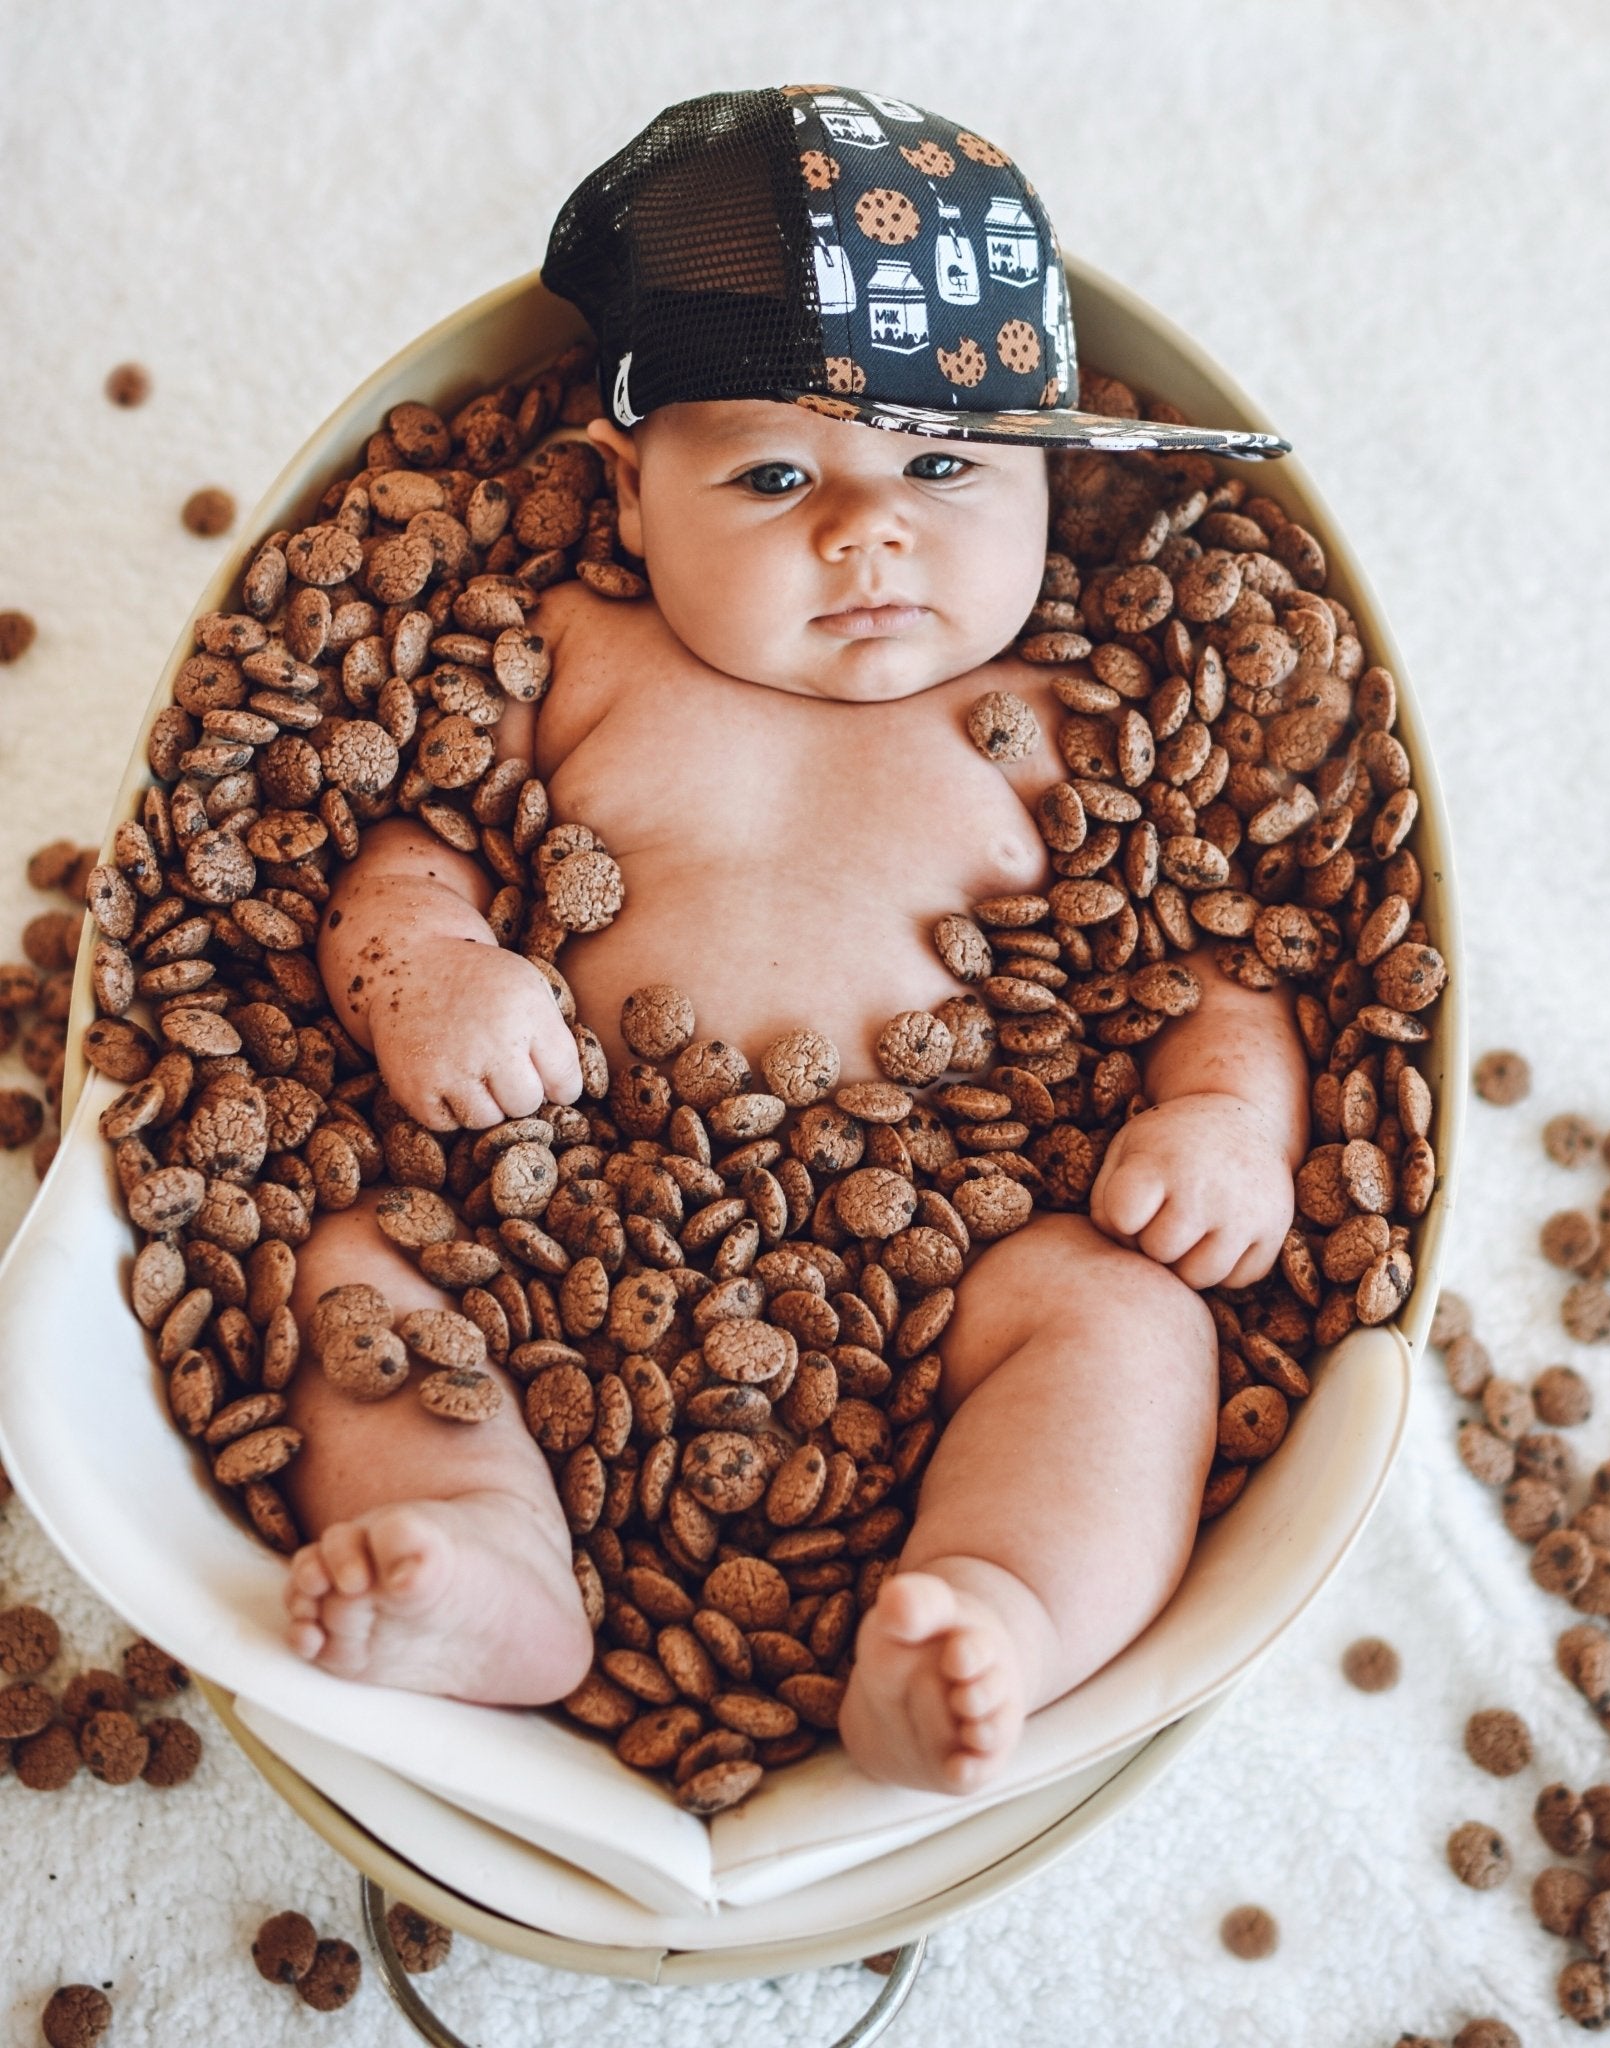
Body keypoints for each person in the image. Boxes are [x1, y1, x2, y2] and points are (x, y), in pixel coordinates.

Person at [281, 83, 1307, 1795]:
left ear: (1053, 468)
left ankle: (990, 1611)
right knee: (347, 1266)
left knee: (1130, 1327)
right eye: (772, 473)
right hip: (531, 1191)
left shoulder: (1082, 710)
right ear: (623, 491)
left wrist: (1227, 1122)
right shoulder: (572, 649)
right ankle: (486, 1550)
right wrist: (430, 974)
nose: (868, 529)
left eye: (944, 461)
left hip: (971, 1247)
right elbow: (407, 852)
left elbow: (1206, 954)